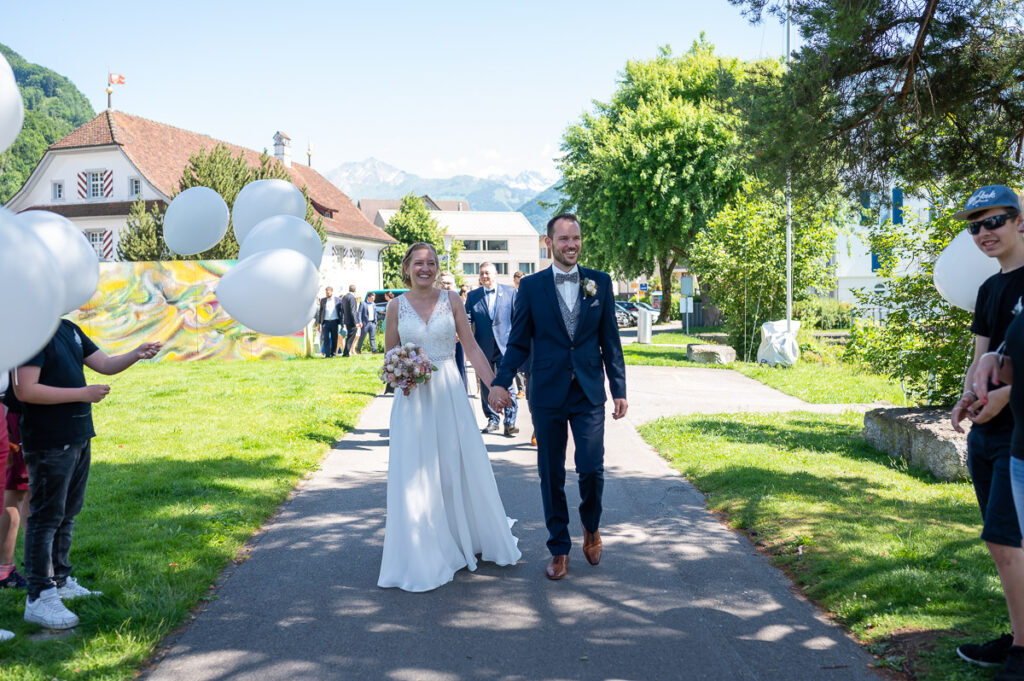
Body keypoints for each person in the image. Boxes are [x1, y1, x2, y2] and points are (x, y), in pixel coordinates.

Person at [489, 213, 627, 581]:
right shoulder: (531, 287)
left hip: (588, 390)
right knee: (550, 472)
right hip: (547, 391)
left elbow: (611, 340)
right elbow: (518, 342)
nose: (571, 245)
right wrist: (501, 382)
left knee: (591, 467)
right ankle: (559, 547)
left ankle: (591, 527)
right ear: (549, 243)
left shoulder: (600, 282)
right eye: (564, 239)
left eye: (576, 238)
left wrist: (619, 389)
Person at [378, 243, 520, 592]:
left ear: (437, 268)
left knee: (456, 466)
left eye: (431, 263)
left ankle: (460, 535)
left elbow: (471, 348)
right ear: (407, 268)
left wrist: (494, 386)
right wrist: (401, 373)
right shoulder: (395, 307)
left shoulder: (452, 300)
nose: (425, 268)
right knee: (416, 471)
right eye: (418, 263)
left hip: (449, 395)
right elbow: (390, 356)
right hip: (413, 399)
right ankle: (422, 544)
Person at [14, 320, 161, 630]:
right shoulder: (32, 331)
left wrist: (136, 353)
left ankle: (61, 581)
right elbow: (26, 390)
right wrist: (83, 393)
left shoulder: (68, 327)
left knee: (67, 514)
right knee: (45, 518)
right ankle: (39, 596)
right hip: (49, 440)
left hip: (78, 434)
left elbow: (104, 365)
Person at [956, 186, 1024, 680]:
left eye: (994, 221)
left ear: (1020, 221)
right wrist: (966, 397)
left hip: (1019, 435)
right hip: (985, 434)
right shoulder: (988, 289)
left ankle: (1021, 651)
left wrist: (1006, 395)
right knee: (1006, 545)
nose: (984, 233)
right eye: (975, 226)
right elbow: (981, 356)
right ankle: (1019, 635)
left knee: (1005, 541)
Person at [465, 263, 519, 436]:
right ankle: (492, 419)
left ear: (495, 274)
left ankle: (510, 421)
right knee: (486, 384)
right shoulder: (473, 296)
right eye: (482, 273)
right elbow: (466, 319)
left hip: (505, 346)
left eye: (487, 273)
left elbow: (518, 319)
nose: (484, 276)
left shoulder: (510, 292)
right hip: (483, 347)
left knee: (507, 382)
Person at [1, 372, 28, 591]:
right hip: (13, 410)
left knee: (29, 489)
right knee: (16, 489)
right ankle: (4, 568)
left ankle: (38, 562)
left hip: (31, 410)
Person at [440, 272, 468, 390]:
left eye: (449, 283)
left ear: (454, 285)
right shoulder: (431, 302)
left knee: (458, 373)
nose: (446, 286)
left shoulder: (459, 302)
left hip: (456, 343)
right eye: (443, 283)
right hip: (438, 345)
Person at [315, 286, 341, 358]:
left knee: (334, 338)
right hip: (325, 323)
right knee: (325, 338)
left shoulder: (338, 300)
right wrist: (318, 324)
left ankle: (333, 354)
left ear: (332, 292)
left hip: (334, 322)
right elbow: (320, 312)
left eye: (328, 292)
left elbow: (341, 312)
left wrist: (342, 323)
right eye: (326, 293)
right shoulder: (323, 300)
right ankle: (327, 354)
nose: (327, 294)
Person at [341, 284, 360, 357]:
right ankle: (346, 353)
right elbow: (353, 311)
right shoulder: (352, 298)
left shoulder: (344, 297)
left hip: (346, 319)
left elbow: (343, 309)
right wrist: (356, 322)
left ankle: (345, 352)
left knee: (349, 336)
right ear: (355, 290)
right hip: (352, 321)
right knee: (351, 337)